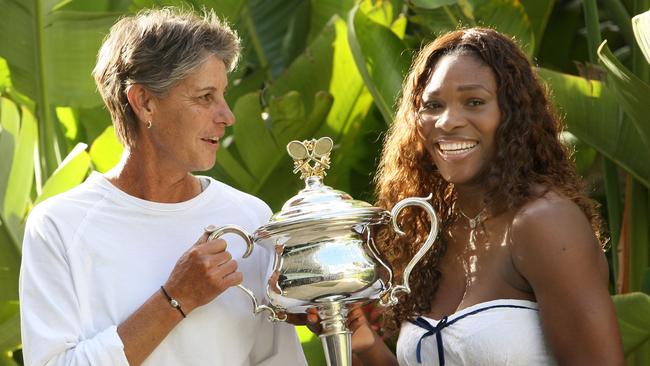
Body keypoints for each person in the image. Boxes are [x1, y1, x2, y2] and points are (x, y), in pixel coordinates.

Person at [19, 8, 307, 366]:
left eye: (222, 95)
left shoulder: (250, 216)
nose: (227, 116)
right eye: (205, 97)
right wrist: (175, 298)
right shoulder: (58, 226)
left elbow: (279, 360)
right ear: (144, 101)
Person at [332, 27, 624, 365]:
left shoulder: (544, 222)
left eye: (474, 102)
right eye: (433, 105)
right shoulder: (428, 232)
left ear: (513, 114)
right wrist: (365, 345)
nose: (448, 121)